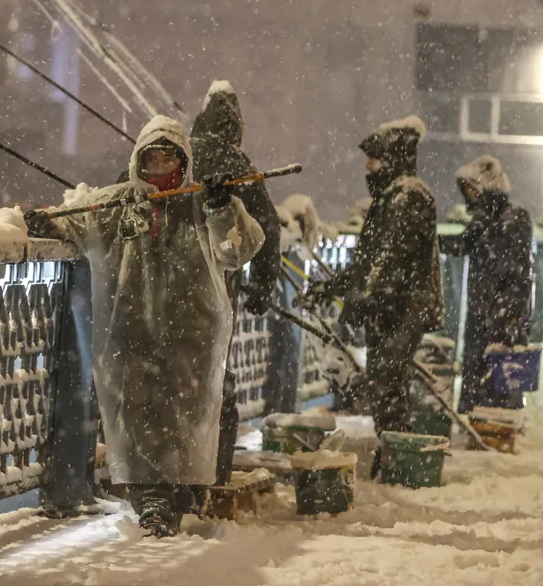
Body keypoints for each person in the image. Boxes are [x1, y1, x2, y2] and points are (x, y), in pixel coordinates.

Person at [25, 115, 264, 537]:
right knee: (139, 415)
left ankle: (183, 493)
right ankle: (152, 501)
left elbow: (238, 248)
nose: (160, 167)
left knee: (188, 419)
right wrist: (49, 222)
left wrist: (221, 208)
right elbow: (82, 220)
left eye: (167, 157)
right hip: (134, 333)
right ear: (139, 161)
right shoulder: (124, 202)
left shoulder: (200, 202)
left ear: (183, 160)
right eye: (151, 158)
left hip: (192, 335)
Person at [116, 81, 282, 486]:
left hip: (155, 285)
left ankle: (158, 472)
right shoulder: (237, 161)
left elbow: (125, 196)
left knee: (153, 376)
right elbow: (265, 227)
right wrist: (262, 284)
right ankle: (209, 475)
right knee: (211, 379)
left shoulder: (185, 153)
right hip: (210, 287)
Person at [307, 117, 444, 473]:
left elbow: (386, 261)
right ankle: (394, 456)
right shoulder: (393, 196)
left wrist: (362, 296)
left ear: (394, 159)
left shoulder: (407, 196)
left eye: (375, 161)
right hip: (391, 308)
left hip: (400, 310)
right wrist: (336, 287)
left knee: (386, 381)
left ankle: (399, 459)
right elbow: (370, 262)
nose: (368, 169)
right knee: (388, 383)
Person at [441, 155, 533, 415]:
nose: (467, 196)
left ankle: (490, 420)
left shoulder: (497, 220)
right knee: (499, 370)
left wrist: (509, 309)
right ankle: (494, 419)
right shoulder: (500, 219)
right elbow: (462, 245)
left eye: (470, 189)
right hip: (497, 308)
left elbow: (463, 246)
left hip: (497, 308)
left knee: (490, 366)